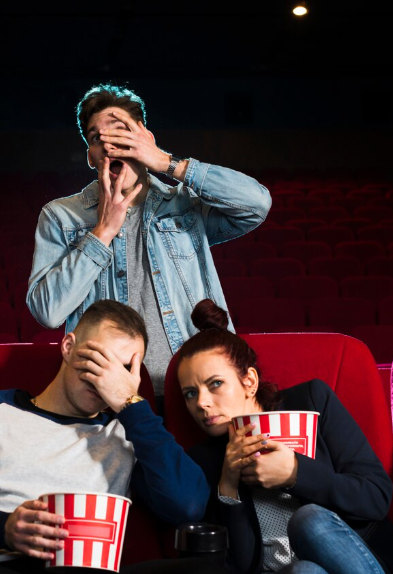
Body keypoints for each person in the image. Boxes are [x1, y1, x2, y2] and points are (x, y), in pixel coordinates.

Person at [0, 299, 242, 574]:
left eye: (120, 370)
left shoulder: (129, 431)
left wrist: (131, 404)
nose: (102, 380)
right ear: (67, 346)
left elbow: (187, 505)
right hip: (2, 572)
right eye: (95, 361)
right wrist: (3, 528)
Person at [176, 299, 393, 574]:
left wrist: (296, 474)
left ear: (249, 382)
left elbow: (376, 498)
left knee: (309, 520)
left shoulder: (312, 400)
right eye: (190, 393)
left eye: (215, 384)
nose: (201, 402)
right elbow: (237, 572)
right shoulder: (203, 460)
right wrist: (228, 487)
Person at [27, 84, 272, 398]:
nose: (109, 144)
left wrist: (167, 163)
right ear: (91, 155)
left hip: (196, 391)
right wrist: (102, 232)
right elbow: (47, 311)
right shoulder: (61, 216)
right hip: (108, 394)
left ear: (145, 138)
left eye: (121, 132)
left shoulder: (184, 205)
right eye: (96, 138)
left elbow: (256, 204)